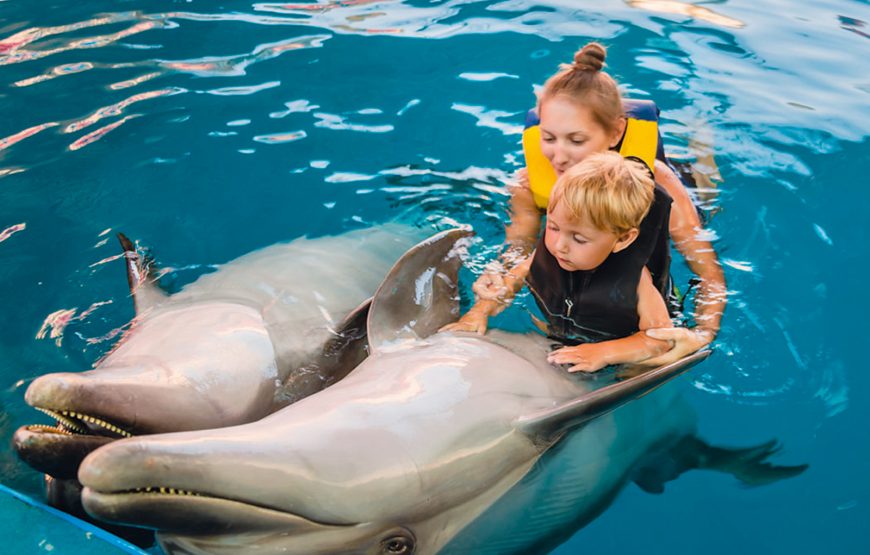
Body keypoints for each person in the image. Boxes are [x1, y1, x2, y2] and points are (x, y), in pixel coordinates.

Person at [472, 42, 726, 366]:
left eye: (576, 140)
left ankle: (702, 147)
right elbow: (520, 249)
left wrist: (702, 334)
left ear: (615, 131)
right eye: (548, 138)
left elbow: (709, 275)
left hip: (672, 185)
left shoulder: (657, 184)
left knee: (708, 192)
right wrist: (496, 275)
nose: (559, 157)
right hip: (585, 242)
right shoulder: (529, 184)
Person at [444, 152, 673, 372]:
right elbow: (510, 282)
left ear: (622, 239)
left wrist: (604, 352)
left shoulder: (636, 281)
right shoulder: (550, 252)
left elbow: (661, 340)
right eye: (553, 227)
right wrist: (479, 312)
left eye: (579, 238)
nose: (559, 245)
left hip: (608, 343)